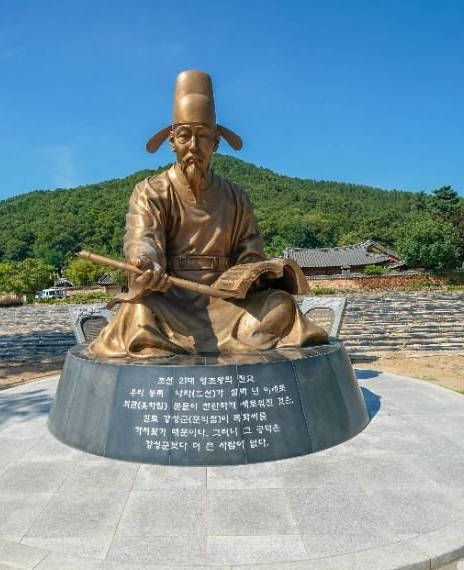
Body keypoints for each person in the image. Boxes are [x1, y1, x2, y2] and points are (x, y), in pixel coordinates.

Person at [87, 70, 328, 358]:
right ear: (172, 142)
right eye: (184, 136)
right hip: (170, 298)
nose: (193, 146)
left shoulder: (235, 195)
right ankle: (224, 344)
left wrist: (256, 274)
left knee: (281, 304)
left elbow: (250, 252)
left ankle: (235, 342)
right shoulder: (151, 191)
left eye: (202, 136)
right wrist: (146, 265)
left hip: (226, 302)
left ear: (215, 143)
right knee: (138, 310)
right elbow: (143, 239)